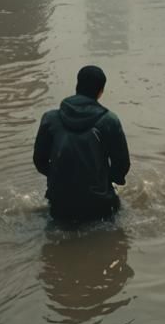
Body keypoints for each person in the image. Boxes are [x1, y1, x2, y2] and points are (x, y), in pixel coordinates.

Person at [33, 65, 131, 225]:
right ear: (101, 91)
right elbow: (122, 165)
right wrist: (107, 181)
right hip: (100, 207)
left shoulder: (50, 118)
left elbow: (39, 161)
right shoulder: (109, 121)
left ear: (77, 86)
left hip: (60, 206)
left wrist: (58, 178)